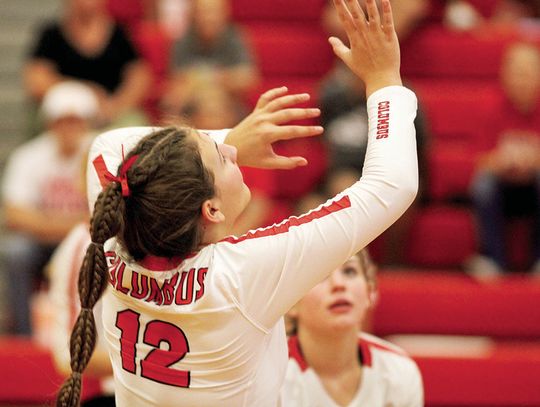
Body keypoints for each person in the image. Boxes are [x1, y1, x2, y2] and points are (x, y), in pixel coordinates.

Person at [57, 0, 418, 405]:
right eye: (220, 157)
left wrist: (228, 140)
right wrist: (386, 81)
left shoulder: (117, 235)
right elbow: (391, 186)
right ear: (211, 209)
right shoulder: (242, 273)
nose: (231, 152)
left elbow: (106, 147)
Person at [1, 81, 96, 335]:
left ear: (86, 123)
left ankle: (98, 333)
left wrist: (44, 221)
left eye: (75, 121)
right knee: (16, 253)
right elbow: (14, 214)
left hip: (89, 239)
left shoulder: (99, 151)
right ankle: (24, 335)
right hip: (42, 243)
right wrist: (74, 222)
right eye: (62, 121)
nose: (69, 129)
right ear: (50, 124)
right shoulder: (28, 156)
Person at [281, 249, 424, 406]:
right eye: (319, 274)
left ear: (370, 291)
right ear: (290, 301)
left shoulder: (399, 371)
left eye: (349, 271)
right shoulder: (268, 375)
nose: (339, 284)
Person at [467, 42, 540, 278]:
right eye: (516, 73)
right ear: (504, 75)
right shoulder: (490, 107)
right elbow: (480, 162)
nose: (521, 80)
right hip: (502, 188)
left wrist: (531, 161)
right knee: (482, 185)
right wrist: (504, 161)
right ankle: (492, 259)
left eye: (528, 73)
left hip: (534, 186)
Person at [24, 0, 151, 131]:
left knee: (132, 126)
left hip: (111, 113)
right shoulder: (51, 34)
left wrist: (115, 106)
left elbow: (139, 77)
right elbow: (37, 81)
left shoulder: (120, 33)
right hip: (66, 114)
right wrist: (86, 96)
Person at [161, 0, 260, 116]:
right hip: (193, 104)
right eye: (203, 12)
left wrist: (205, 82)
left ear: (225, 14)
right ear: (193, 14)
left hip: (228, 103)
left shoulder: (235, 37)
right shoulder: (182, 40)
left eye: (213, 12)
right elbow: (177, 82)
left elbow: (248, 79)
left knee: (213, 105)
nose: (208, 18)